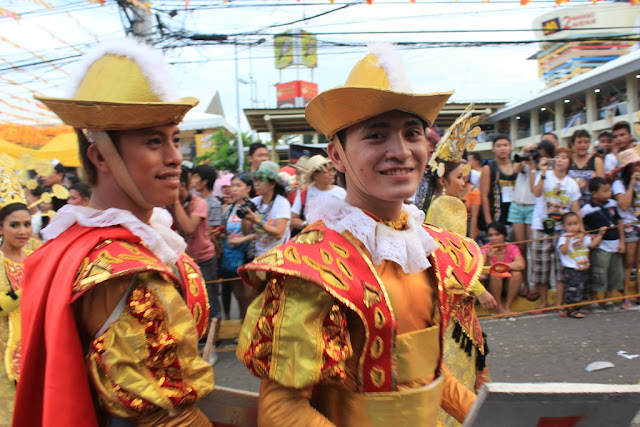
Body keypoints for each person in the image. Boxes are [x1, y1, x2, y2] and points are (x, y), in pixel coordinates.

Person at [237, 44, 478, 426]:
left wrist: (489, 414)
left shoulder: (431, 249)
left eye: (411, 133)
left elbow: (427, 377)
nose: (400, 151)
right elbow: (281, 411)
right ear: (336, 155)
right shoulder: (311, 266)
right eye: (377, 136)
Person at [14, 39, 213, 426]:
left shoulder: (69, 243)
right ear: (100, 155)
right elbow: (168, 418)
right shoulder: (123, 266)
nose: (175, 157)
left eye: (174, 138)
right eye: (154, 140)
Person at [423, 106, 496, 427]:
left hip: (453, 304)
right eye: (459, 177)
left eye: (466, 177)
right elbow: (448, 260)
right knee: (456, 370)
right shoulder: (447, 207)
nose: (465, 183)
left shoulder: (442, 205)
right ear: (443, 179)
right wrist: (480, 289)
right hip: (455, 305)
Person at [530, 147, 581, 311]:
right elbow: (536, 193)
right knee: (541, 267)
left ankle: (560, 303)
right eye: (557, 157)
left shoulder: (572, 184)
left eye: (564, 158)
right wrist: (543, 172)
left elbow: (576, 209)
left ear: (569, 162)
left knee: (561, 268)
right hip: (541, 227)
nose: (560, 160)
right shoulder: (545, 175)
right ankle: (544, 302)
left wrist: (579, 231)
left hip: (562, 230)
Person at [0, 168, 33, 425]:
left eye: (27, 224)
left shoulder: (39, 253)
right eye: (14, 225)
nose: (22, 231)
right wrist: (32, 285)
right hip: (4, 350)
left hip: (37, 343)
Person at [172, 167, 221, 322]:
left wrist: (174, 201)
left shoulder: (199, 203)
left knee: (210, 301)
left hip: (203, 259)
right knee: (187, 302)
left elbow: (188, 229)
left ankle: (214, 342)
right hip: (180, 261)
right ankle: (198, 337)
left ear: (181, 186)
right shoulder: (164, 205)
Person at [581, 177, 625, 311]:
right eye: (605, 191)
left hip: (615, 244)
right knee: (598, 273)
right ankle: (594, 300)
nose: (609, 193)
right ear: (594, 193)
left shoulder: (612, 204)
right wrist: (589, 236)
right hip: (601, 246)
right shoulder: (587, 209)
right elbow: (582, 227)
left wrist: (622, 241)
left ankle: (608, 299)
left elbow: (619, 222)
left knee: (614, 273)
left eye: (609, 190)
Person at [219, 174, 257, 320]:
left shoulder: (255, 206)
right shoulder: (229, 209)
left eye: (238, 185)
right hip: (231, 259)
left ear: (248, 188)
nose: (234, 189)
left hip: (249, 257)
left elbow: (259, 233)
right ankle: (243, 331)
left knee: (250, 296)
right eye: (232, 185)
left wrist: (241, 240)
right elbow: (225, 232)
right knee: (240, 298)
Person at [556, 212, 606, 318]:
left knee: (582, 288)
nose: (573, 227)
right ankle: (571, 309)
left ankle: (577, 306)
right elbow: (563, 252)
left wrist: (600, 234)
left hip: (584, 267)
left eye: (575, 223)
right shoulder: (563, 238)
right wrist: (567, 241)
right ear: (564, 226)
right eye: (569, 225)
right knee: (573, 289)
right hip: (572, 269)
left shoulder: (583, 237)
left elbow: (592, 245)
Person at [241, 160, 291, 257]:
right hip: (259, 256)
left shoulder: (282, 203)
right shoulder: (254, 201)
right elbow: (245, 232)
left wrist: (256, 220)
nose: (256, 183)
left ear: (272, 184)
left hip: (278, 256)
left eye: (261, 179)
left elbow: (279, 234)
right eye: (255, 179)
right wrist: (244, 216)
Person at [610, 149, 640, 309]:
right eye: (635, 166)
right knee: (628, 263)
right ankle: (626, 296)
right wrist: (632, 184)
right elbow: (624, 204)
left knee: (639, 263)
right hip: (629, 226)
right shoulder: (618, 184)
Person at [291, 155, 346, 233]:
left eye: (332, 170)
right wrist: (307, 225)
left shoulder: (340, 193)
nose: (331, 174)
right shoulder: (304, 193)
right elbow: (293, 219)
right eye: (327, 171)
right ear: (315, 175)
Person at [481, 222, 526, 315]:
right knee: (495, 275)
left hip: (507, 283)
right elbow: (484, 271)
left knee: (517, 273)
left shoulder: (512, 247)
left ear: (504, 235)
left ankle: (507, 307)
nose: (493, 238)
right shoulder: (485, 249)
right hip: (491, 284)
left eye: (497, 234)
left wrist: (502, 267)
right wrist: (489, 258)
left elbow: (521, 264)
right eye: (490, 235)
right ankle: (499, 308)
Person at [480, 134, 517, 231]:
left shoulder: (516, 166)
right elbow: (484, 195)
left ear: (510, 147)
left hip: (516, 213)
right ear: (493, 149)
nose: (502, 148)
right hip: (497, 214)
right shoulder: (488, 168)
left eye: (505, 145)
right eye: (499, 146)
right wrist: (489, 220)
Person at [567, 129, 604, 207]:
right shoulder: (568, 160)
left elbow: (602, 185)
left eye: (586, 142)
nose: (583, 145)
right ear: (573, 144)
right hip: (570, 204)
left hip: (591, 205)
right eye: (579, 142)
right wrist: (575, 182)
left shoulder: (596, 161)